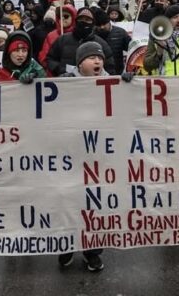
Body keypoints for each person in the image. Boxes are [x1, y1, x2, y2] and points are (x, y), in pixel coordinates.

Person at [57, 41, 111, 272]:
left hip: (97, 155)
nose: (97, 61)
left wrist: (131, 85)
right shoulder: (63, 83)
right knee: (68, 201)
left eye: (99, 58)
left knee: (94, 204)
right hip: (69, 153)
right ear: (80, 63)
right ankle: (66, 245)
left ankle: (92, 251)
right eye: (91, 58)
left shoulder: (113, 83)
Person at [46, 8, 115, 76]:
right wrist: (60, 70)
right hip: (66, 83)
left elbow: (110, 66)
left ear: (93, 23)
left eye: (87, 20)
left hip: (93, 84)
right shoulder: (62, 39)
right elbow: (50, 59)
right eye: (81, 19)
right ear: (76, 21)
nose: (83, 22)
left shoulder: (101, 43)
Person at [38, 4, 77, 70]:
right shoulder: (51, 36)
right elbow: (43, 57)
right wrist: (55, 68)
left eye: (66, 16)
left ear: (73, 17)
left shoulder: (78, 35)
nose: (62, 18)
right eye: (59, 16)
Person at [93, 7, 131, 73]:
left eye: (104, 24)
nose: (102, 27)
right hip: (98, 73)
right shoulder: (93, 35)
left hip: (117, 72)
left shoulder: (121, 32)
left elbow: (131, 49)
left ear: (108, 22)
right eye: (99, 25)